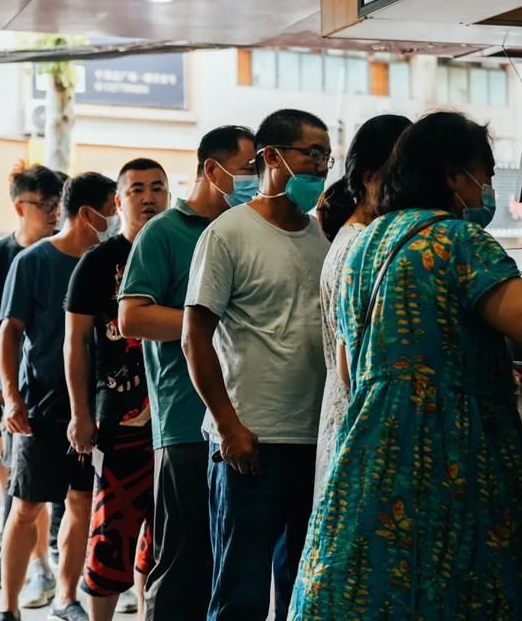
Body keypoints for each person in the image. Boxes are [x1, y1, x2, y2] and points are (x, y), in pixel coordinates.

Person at [288, 111, 522, 620]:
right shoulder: (457, 243)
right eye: (482, 175)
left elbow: (352, 371)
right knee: (460, 591)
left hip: (367, 457)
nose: (486, 188)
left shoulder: (361, 246)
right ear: (452, 176)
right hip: (451, 458)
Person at [183, 108, 331, 621]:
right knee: (240, 596)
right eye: (311, 154)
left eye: (326, 157)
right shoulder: (228, 234)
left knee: (302, 591)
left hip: (314, 441)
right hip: (252, 443)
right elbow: (193, 336)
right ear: (271, 157)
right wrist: (228, 424)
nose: (320, 166)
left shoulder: (324, 239)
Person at [118, 126, 257, 621]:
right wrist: (206, 321)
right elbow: (132, 317)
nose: (255, 180)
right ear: (212, 170)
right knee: (182, 566)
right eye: (247, 171)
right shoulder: (166, 232)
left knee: (233, 571)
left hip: (248, 422)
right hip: (184, 425)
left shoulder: (247, 228)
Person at [0, 172, 117, 621]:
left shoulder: (106, 262)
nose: (117, 215)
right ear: (89, 213)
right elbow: (8, 334)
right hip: (40, 408)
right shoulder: (32, 262)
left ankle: (66, 600)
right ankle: (9, 608)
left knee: (81, 502)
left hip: (93, 408)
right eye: (113, 206)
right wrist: (11, 397)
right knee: (26, 506)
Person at [65, 159, 170, 621]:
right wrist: (80, 414)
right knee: (111, 535)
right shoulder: (98, 262)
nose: (148, 197)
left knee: (162, 539)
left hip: (175, 419)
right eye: (137, 190)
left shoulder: (181, 249)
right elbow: (75, 344)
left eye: (158, 188)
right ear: (118, 201)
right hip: (118, 420)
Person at [0, 165, 64, 599]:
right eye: (44, 205)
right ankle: (30, 559)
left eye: (57, 204)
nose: (53, 212)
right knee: (12, 474)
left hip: (56, 390)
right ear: (18, 207)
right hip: (10, 386)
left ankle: (45, 562)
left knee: (43, 486)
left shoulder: (67, 250)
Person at [313, 114, 411, 500]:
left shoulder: (356, 237)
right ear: (372, 178)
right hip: (359, 427)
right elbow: (352, 363)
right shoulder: (364, 247)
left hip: (347, 421)